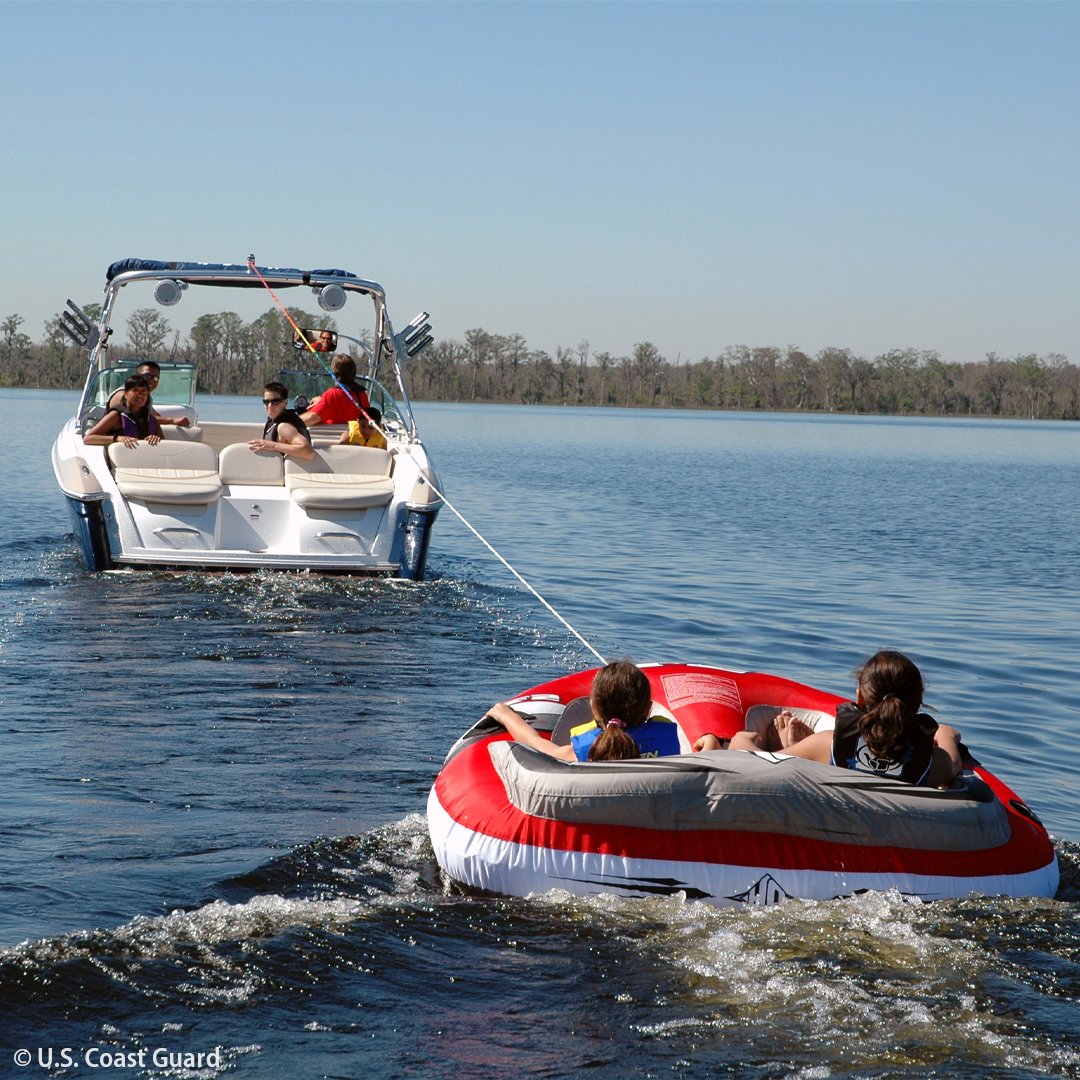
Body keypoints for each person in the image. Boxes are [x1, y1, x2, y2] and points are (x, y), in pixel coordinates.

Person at [727, 650, 963, 789]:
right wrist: (946, 734)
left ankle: (792, 749)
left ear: (860, 696)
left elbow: (756, 761)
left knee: (799, 760)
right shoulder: (932, 762)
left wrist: (742, 738)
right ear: (919, 700)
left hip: (835, 823)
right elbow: (953, 765)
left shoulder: (827, 744)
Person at [486, 659, 681, 763]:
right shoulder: (667, 736)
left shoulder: (586, 748)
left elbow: (536, 744)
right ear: (648, 708)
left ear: (594, 708)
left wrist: (507, 715)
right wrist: (711, 740)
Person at [84, 374, 163, 447]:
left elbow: (163, 443)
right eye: (135, 390)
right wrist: (117, 438)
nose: (140, 395)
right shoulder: (115, 416)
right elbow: (88, 439)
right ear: (125, 394)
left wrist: (155, 438)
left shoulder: (152, 419)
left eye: (144, 391)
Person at [107, 362, 191, 427]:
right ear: (136, 376)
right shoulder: (123, 394)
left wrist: (176, 422)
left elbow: (153, 416)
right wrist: (172, 420)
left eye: (155, 378)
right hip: (117, 443)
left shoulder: (146, 397)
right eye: (147, 376)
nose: (152, 381)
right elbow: (133, 418)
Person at [247, 382, 315, 460]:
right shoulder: (273, 420)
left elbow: (308, 451)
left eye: (275, 402)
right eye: (266, 402)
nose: (270, 406)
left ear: (285, 403)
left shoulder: (284, 427)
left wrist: (273, 445)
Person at [300, 355, 370, 428]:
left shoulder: (332, 395)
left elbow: (312, 418)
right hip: (353, 439)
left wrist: (290, 422)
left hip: (329, 438)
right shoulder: (362, 395)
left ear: (333, 374)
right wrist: (321, 402)